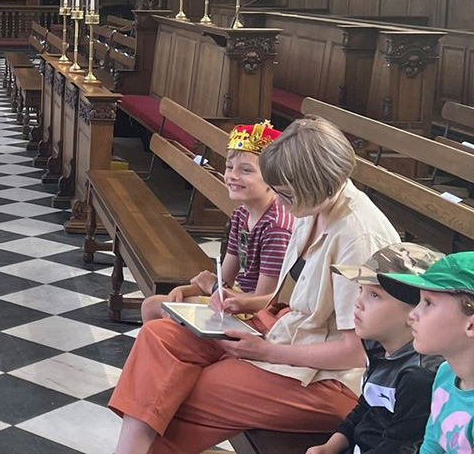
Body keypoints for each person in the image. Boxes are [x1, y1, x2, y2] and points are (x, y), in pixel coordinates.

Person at [109, 116, 400, 454]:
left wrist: (267, 352)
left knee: (178, 396)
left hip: (326, 379)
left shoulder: (359, 236)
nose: (281, 201)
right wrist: (243, 302)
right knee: (159, 336)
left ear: (317, 183)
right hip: (286, 333)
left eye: (286, 193)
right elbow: (297, 298)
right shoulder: (316, 204)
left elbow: (358, 353)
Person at [141, 121, 294, 323]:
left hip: (256, 314)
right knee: (156, 305)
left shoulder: (275, 227)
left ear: (272, 178)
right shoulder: (241, 215)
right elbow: (226, 279)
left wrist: (212, 287)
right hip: (235, 299)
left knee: (156, 308)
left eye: (246, 170)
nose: (232, 176)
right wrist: (184, 289)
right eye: (229, 167)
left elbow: (266, 301)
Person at [305, 243, 444, 454]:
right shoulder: (378, 347)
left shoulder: (420, 375)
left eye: (375, 295)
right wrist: (329, 447)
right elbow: (367, 405)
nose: (357, 303)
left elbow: (400, 448)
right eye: (361, 290)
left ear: (415, 312)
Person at [378, 251, 474, 454]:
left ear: (471, 325)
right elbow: (432, 444)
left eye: (428, 303)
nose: (412, 314)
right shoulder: (446, 374)